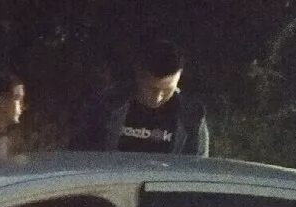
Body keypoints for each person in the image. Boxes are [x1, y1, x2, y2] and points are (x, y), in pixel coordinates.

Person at [70, 39, 210, 156]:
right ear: (138, 74)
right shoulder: (106, 106)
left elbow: (196, 167)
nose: (158, 98)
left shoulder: (191, 116)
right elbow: (78, 155)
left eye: (167, 90)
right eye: (152, 89)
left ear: (179, 76)